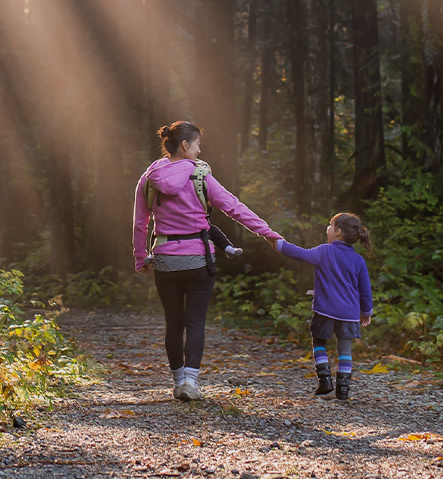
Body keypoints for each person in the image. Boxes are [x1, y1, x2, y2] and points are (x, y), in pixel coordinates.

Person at [133, 120, 282, 402]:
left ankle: (178, 383)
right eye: (198, 145)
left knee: (173, 323)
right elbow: (234, 208)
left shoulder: (148, 177)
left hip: (165, 259)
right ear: (185, 145)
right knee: (196, 322)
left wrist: (141, 257)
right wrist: (268, 234)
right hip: (199, 259)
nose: (200, 151)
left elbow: (141, 224)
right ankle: (191, 382)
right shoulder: (201, 176)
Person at [273, 212, 372, 401]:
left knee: (319, 342)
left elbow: (300, 253)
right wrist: (365, 312)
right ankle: (343, 389)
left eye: (330, 225)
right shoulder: (359, 260)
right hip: (349, 313)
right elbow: (365, 289)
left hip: (325, 309)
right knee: (345, 349)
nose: (327, 228)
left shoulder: (324, 252)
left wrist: (279, 244)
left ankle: (325, 380)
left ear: (338, 232)